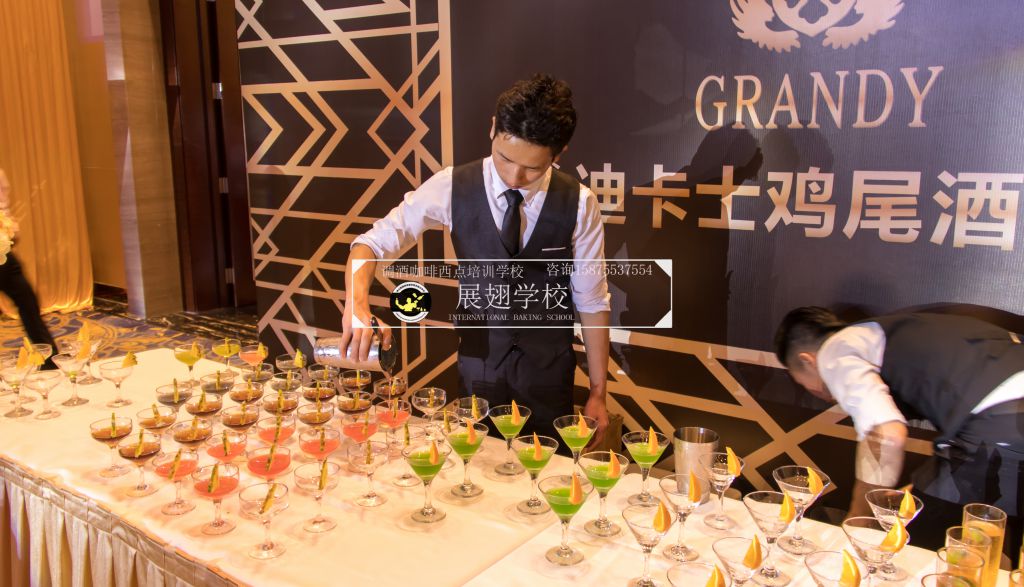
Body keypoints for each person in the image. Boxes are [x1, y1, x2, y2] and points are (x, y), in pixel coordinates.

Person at [342, 74, 611, 445]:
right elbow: (370, 245)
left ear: (559, 154)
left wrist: (598, 391)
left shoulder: (579, 203)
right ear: (493, 128)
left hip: (549, 377)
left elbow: (592, 301)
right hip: (479, 369)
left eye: (533, 168)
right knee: (475, 469)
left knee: (547, 473)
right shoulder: (452, 185)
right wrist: (356, 305)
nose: (515, 176)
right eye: (505, 158)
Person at [775, 306, 1024, 556]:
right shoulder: (879, 334)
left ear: (808, 360)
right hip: (1004, 419)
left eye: (800, 381)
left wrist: (858, 518)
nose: (811, 391)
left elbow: (886, 435)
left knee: (918, 549)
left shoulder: (834, 351)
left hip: (1001, 424)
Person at [0, 169, 57, 367]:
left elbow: (4, 210)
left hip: (5, 256)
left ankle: (49, 360)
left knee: (28, 303)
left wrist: (10, 231)